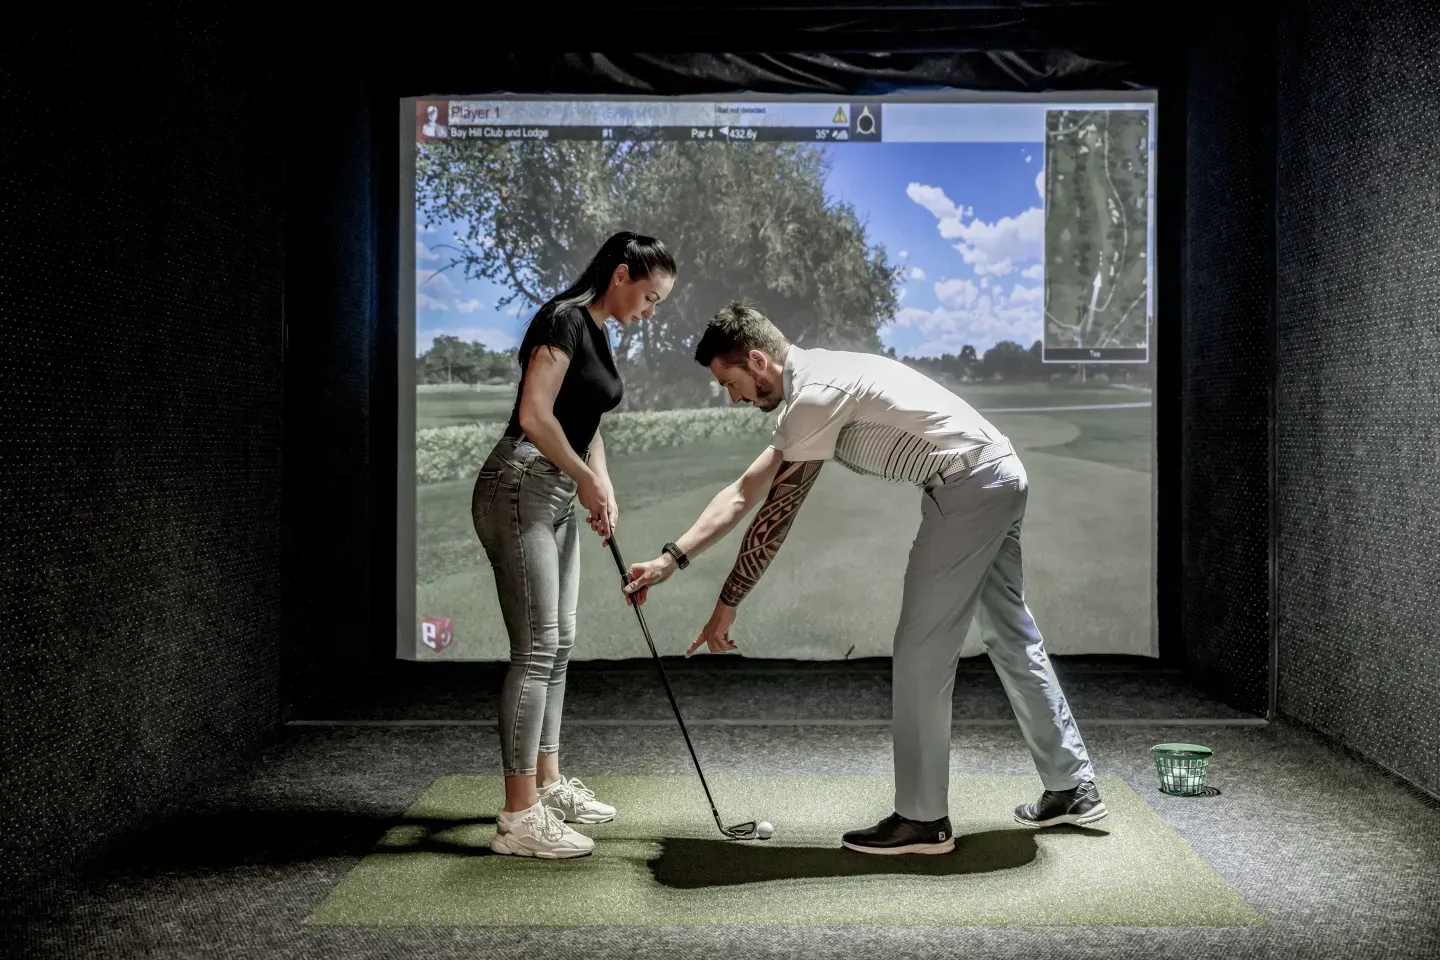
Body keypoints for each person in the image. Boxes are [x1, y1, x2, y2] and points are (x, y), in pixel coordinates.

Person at [621, 301, 1106, 855]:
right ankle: (1072, 787)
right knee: (1011, 633)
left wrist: (727, 602)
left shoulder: (816, 393)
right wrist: (670, 559)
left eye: (730, 383)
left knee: (922, 648)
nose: (732, 398)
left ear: (757, 360)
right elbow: (742, 492)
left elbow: (775, 515)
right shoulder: (819, 382)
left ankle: (923, 819)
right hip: (999, 473)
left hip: (968, 485)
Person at [474, 231, 676, 859]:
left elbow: (586, 421)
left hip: (557, 491)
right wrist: (585, 478)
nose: (650, 312)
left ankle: (547, 783)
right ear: (621, 275)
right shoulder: (563, 319)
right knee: (536, 649)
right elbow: (535, 415)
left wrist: (600, 483)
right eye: (650, 297)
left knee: (559, 643)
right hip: (520, 487)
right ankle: (518, 817)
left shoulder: (598, 331)